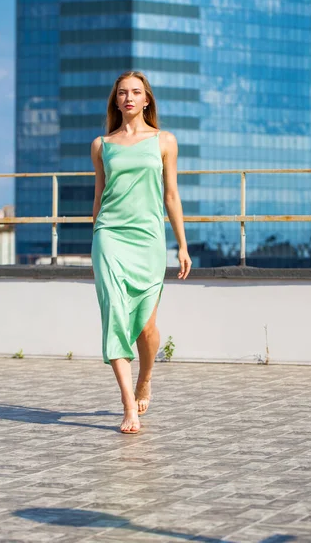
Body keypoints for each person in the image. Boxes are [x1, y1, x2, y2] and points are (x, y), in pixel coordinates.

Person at [91, 70, 192, 434]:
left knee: (146, 327)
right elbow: (99, 196)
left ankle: (145, 378)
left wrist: (181, 245)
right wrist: (96, 236)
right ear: (115, 100)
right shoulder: (102, 144)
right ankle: (128, 405)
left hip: (148, 239)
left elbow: (171, 195)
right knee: (115, 318)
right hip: (109, 238)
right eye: (122, 93)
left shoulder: (164, 141)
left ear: (146, 99)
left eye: (135, 92)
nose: (128, 98)